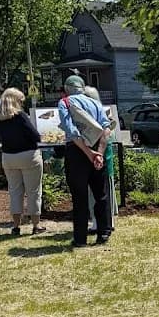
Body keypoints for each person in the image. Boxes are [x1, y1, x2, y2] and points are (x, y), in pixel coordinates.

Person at [58, 75, 111, 247]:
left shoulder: (65, 103)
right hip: (97, 149)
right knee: (101, 194)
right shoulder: (95, 103)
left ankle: (80, 239)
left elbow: (72, 132)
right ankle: (104, 232)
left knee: (79, 197)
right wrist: (99, 154)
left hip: (77, 152)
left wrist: (89, 153)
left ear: (67, 89)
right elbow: (106, 129)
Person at [0, 88, 45, 236]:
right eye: (21, 101)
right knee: (33, 191)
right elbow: (35, 136)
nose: (22, 103)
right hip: (28, 155)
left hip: (8, 156)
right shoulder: (20, 116)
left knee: (15, 191)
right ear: (15, 101)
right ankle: (36, 225)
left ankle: (16, 226)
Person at [84, 86, 118, 232]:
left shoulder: (91, 115)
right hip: (104, 158)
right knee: (106, 192)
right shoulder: (102, 113)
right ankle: (108, 222)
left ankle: (98, 223)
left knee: (97, 193)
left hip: (97, 158)